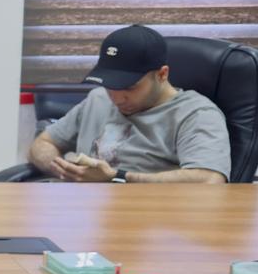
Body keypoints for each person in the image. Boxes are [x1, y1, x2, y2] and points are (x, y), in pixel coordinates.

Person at [30, 25, 229, 183]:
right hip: (84, 209)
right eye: (110, 85)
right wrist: (64, 170)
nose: (117, 98)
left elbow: (209, 179)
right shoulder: (98, 99)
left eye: (129, 87)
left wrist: (119, 177)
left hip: (146, 214)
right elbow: (43, 143)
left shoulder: (196, 114)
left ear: (162, 74)